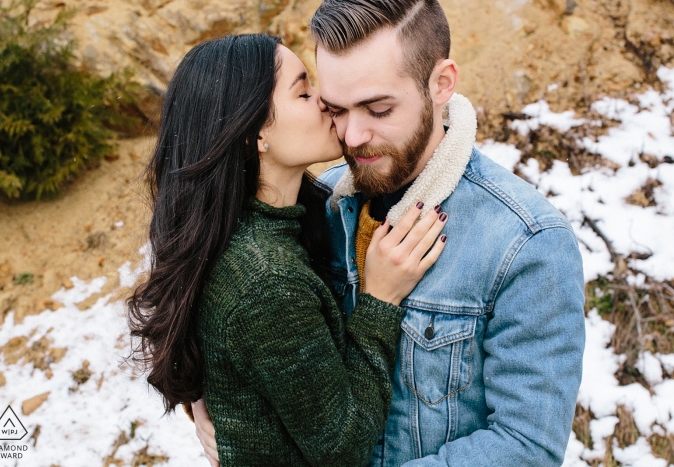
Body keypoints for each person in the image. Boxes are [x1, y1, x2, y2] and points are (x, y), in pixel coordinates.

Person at [193, 1, 586, 466]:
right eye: (336, 108)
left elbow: (526, 448)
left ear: (441, 84)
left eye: (378, 108)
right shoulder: (314, 205)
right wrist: (209, 401)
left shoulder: (525, 242)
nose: (353, 135)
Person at [127, 33, 450, 467]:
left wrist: (207, 404)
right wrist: (381, 299)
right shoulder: (266, 281)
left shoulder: (250, 228)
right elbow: (343, 447)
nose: (326, 103)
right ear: (253, 135)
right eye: (303, 92)